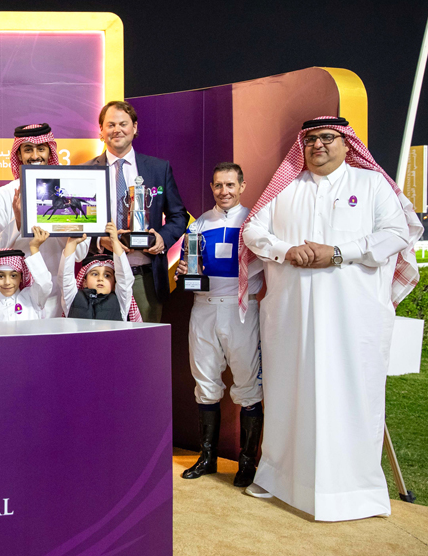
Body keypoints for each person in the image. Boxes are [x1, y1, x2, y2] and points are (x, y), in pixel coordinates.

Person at [241, 116, 422, 521]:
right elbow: (252, 231)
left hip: (352, 320)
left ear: (346, 143)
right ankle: (278, 480)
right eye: (311, 140)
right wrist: (286, 250)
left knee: (352, 395)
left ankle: (355, 491)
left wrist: (339, 252)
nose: (318, 146)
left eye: (328, 138)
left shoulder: (371, 184)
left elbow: (397, 232)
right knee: (289, 393)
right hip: (292, 319)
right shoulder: (286, 186)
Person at [175, 163, 264, 487]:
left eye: (230, 185)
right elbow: (189, 270)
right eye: (218, 186)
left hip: (241, 311)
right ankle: (208, 457)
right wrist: (184, 270)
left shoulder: (256, 220)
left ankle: (247, 463)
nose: (224, 191)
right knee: (205, 384)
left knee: (248, 386)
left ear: (242, 185)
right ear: (211, 188)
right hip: (203, 309)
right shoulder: (198, 225)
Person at [85, 101, 187, 322]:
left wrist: (163, 238)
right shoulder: (85, 171)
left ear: (135, 127)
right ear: (101, 131)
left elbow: (179, 216)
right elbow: (76, 225)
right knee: (101, 348)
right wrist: (101, 241)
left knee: (144, 348)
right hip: (102, 275)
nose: (117, 130)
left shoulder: (159, 169)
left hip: (145, 278)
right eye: (110, 124)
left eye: (123, 124)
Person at [0, 123, 88, 315]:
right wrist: (18, 223)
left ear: (50, 152)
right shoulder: (3, 195)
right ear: (19, 155)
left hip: (59, 296)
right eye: (28, 150)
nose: (35, 156)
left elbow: (80, 254)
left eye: (41, 149)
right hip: (17, 296)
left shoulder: (69, 194)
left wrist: (65, 223)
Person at [59, 222, 142, 321]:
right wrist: (71, 243)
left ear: (115, 284)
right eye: (94, 274)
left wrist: (115, 241)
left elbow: (125, 279)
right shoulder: (72, 298)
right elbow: (65, 277)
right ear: (84, 281)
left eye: (107, 275)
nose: (100, 279)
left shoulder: (121, 301)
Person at [0, 227, 53, 322]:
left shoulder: (32, 298)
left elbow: (44, 283)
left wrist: (34, 248)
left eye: (13, 276)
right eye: (0, 276)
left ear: (21, 277)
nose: (7, 282)